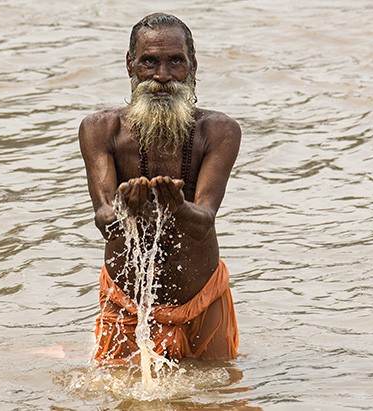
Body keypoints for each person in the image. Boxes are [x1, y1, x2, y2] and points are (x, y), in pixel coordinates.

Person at [79, 12, 241, 364]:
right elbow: (105, 220)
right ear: (130, 65)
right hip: (125, 303)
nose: (162, 76)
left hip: (202, 298)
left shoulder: (219, 131)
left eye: (175, 62)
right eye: (149, 62)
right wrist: (124, 209)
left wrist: (178, 208)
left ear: (193, 65)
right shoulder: (100, 129)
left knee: (219, 397)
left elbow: (204, 219)